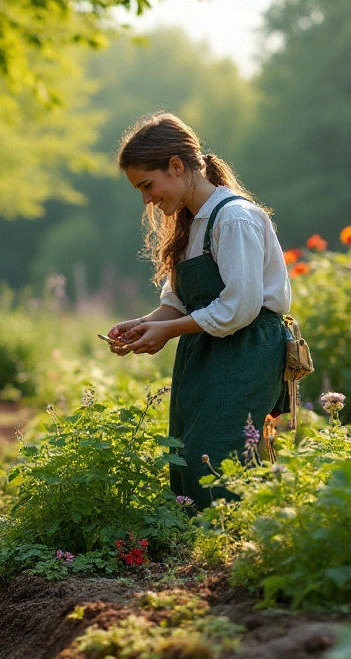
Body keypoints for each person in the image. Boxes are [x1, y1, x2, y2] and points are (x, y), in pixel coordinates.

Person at [107, 112, 292, 510]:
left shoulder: (235, 218)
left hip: (246, 349)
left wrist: (169, 331)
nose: (146, 199)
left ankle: (230, 554)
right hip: (205, 349)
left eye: (147, 185)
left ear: (176, 166)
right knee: (189, 456)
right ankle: (193, 555)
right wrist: (144, 325)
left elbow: (239, 307)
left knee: (219, 454)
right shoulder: (192, 225)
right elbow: (177, 301)